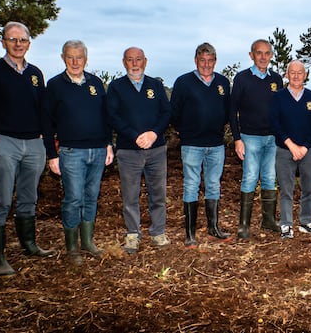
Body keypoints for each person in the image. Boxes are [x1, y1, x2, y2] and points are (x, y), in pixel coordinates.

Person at [0, 21, 55, 277]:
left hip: (34, 144)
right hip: (5, 142)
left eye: (23, 40)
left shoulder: (35, 74)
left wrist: (45, 140)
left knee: (29, 197)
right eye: (13, 39)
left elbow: (43, 110)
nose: (18, 44)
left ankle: (29, 244)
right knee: (2, 200)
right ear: (4, 41)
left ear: (29, 43)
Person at [43, 40, 114, 265]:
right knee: (73, 198)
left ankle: (88, 242)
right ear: (63, 58)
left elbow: (106, 117)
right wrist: (51, 155)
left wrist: (108, 144)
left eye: (79, 57)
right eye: (70, 57)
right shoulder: (55, 85)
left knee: (91, 197)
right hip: (71, 151)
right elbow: (46, 122)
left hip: (98, 150)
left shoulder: (95, 83)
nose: (75, 62)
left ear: (86, 58)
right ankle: (72, 248)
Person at [107, 47, 171, 254]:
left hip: (157, 148)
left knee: (158, 194)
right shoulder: (116, 87)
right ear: (124, 62)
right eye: (130, 60)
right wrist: (135, 136)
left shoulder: (156, 85)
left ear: (145, 61)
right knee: (130, 195)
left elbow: (166, 113)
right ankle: (133, 234)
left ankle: (158, 232)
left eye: (138, 59)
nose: (135, 64)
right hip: (128, 150)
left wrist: (153, 133)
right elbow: (113, 116)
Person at [170, 43, 232, 247]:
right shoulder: (183, 82)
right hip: (192, 144)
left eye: (210, 60)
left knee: (214, 184)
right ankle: (190, 234)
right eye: (202, 60)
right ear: (196, 60)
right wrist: (183, 130)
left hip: (215, 143)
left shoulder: (222, 82)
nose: (206, 64)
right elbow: (174, 112)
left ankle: (213, 228)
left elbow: (227, 112)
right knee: (191, 185)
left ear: (215, 61)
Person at [230, 39, 285, 239]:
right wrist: (237, 139)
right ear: (251, 55)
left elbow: (280, 109)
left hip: (272, 138)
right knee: (251, 177)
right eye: (259, 53)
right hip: (250, 137)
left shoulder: (276, 79)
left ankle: (268, 220)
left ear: (271, 55)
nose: (263, 57)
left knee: (270, 178)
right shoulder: (242, 78)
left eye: (267, 53)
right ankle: (243, 225)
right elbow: (232, 110)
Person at [270, 61, 311, 239]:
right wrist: (291, 145)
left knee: (309, 188)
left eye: (299, 72)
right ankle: (286, 225)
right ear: (286, 74)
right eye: (292, 72)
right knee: (286, 190)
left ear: (305, 75)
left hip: (309, 151)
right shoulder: (278, 97)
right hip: (284, 151)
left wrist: (305, 146)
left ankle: (306, 222)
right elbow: (275, 123)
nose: (295, 76)